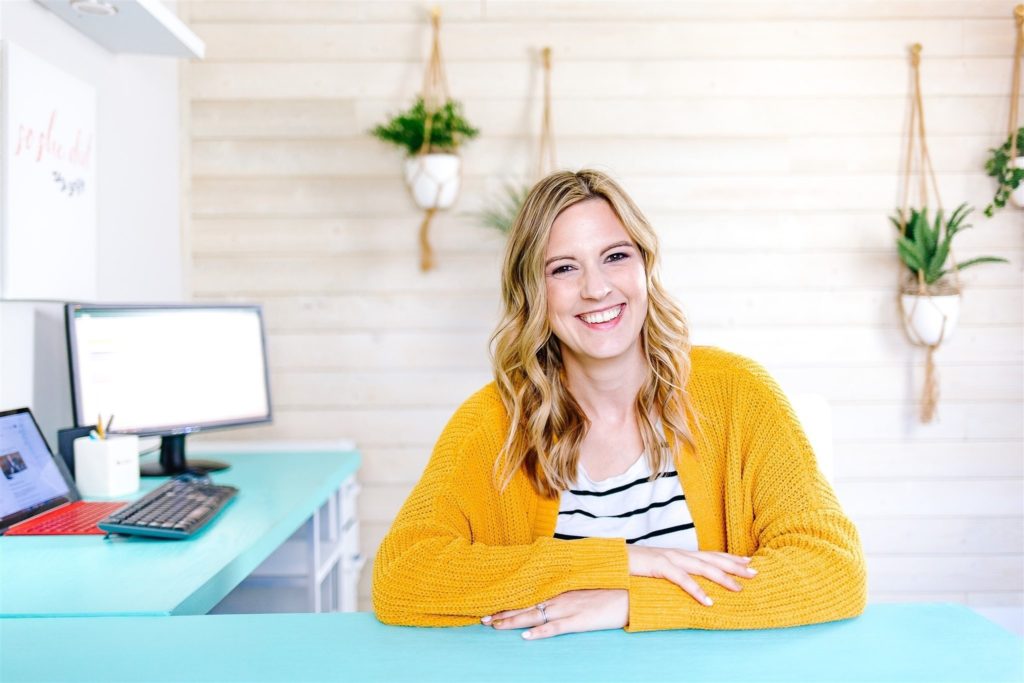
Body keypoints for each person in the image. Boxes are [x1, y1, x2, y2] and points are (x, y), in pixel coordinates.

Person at [372, 169, 866, 640]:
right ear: (533, 293)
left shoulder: (738, 393)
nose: (596, 288)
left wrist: (629, 601)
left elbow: (833, 567)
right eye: (564, 268)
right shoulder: (493, 421)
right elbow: (400, 577)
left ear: (645, 266)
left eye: (615, 256)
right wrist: (618, 561)